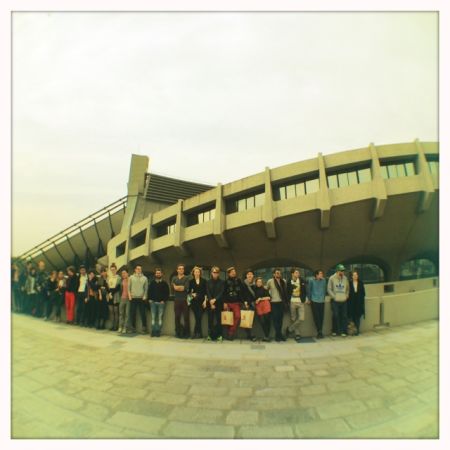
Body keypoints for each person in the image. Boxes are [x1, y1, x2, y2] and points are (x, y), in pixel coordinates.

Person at [222, 267, 245, 341]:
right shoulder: (225, 282)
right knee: (229, 319)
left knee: (238, 317)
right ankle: (229, 335)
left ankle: (231, 332)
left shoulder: (238, 281)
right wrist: (224, 302)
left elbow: (241, 292)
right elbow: (224, 292)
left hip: (236, 303)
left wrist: (243, 301)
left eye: (234, 271)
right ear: (229, 273)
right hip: (228, 302)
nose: (234, 273)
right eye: (232, 272)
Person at [266, 268, 289, 342]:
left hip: (281, 302)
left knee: (280, 319)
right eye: (276, 273)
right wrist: (268, 297)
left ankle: (278, 335)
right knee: (275, 320)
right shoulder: (270, 281)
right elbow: (266, 290)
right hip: (274, 302)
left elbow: (286, 291)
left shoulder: (283, 281)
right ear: (274, 274)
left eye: (279, 273)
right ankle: (278, 335)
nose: (278, 274)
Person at [327, 264, 350, 337]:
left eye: (343, 271)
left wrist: (346, 296)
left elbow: (347, 289)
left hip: (344, 301)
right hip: (335, 301)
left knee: (344, 316)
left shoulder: (345, 278)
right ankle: (334, 330)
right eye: (341, 271)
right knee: (335, 315)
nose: (343, 272)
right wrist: (334, 297)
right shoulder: (332, 278)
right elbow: (329, 289)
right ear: (337, 271)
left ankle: (344, 331)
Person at [286, 268, 307, 342]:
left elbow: (304, 290)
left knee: (301, 318)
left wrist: (304, 298)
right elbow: (287, 292)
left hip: (300, 301)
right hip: (292, 301)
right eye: (296, 273)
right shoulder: (289, 281)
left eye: (298, 273)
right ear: (292, 274)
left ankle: (289, 329)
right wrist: (288, 301)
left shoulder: (302, 280)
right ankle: (297, 334)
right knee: (293, 318)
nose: (298, 274)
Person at [148, 268, 170, 337]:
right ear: (155, 274)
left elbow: (167, 293)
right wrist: (150, 299)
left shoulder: (165, 283)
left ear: (161, 274)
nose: (158, 274)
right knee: (153, 318)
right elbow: (149, 292)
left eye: (159, 273)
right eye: (157, 273)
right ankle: (153, 331)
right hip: (153, 303)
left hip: (161, 303)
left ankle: (158, 332)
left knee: (160, 318)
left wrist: (164, 300)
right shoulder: (152, 283)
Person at [127, 264, 149, 334]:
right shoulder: (131, 277)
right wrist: (129, 296)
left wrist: (145, 296)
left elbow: (146, 289)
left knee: (143, 314)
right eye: (138, 269)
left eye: (140, 269)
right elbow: (128, 288)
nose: (139, 270)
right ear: (135, 270)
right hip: (133, 298)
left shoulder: (145, 278)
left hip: (141, 298)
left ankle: (144, 328)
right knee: (133, 314)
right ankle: (133, 328)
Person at [171, 264, 190, 339]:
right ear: (177, 270)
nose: (181, 270)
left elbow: (185, 288)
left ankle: (186, 334)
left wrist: (177, 287)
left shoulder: (186, 278)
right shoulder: (174, 278)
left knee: (186, 317)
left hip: (185, 300)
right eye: (179, 269)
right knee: (177, 317)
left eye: (182, 269)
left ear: (183, 270)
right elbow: (173, 288)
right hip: (177, 300)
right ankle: (177, 332)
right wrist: (179, 287)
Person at [206, 266, 224, 341]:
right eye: (214, 272)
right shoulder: (208, 282)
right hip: (210, 304)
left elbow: (221, 292)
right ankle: (210, 335)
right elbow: (207, 292)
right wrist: (211, 301)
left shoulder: (222, 282)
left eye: (216, 272)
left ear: (218, 273)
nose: (215, 274)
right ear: (211, 273)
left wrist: (215, 299)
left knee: (219, 320)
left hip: (219, 303)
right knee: (210, 320)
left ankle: (219, 335)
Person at [188, 266, 208, 339]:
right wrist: (192, 294)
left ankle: (196, 333)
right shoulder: (191, 282)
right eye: (195, 272)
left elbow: (206, 292)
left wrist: (205, 301)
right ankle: (199, 333)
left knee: (199, 317)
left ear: (200, 273)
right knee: (198, 318)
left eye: (198, 272)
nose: (197, 273)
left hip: (202, 302)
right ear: (193, 273)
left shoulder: (204, 281)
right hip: (194, 302)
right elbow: (188, 292)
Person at [307, 269, 327, 338]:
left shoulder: (324, 280)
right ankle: (319, 331)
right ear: (316, 275)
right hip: (314, 300)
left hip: (321, 301)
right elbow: (309, 290)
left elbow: (324, 290)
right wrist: (309, 299)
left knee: (321, 317)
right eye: (320, 273)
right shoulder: (311, 280)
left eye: (322, 274)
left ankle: (320, 331)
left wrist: (323, 298)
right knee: (316, 317)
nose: (322, 275)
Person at [347, 270, 366, 336]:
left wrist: (360, 300)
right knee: (351, 317)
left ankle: (357, 331)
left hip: (358, 303)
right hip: (351, 303)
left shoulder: (361, 283)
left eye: (356, 275)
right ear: (352, 276)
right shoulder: (349, 283)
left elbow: (363, 293)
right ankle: (352, 331)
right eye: (354, 275)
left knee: (357, 317)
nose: (355, 276)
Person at [254, 277, 272, 342]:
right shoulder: (254, 289)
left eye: (260, 282)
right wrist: (255, 301)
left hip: (265, 305)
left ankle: (266, 336)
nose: (259, 283)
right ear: (256, 283)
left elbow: (269, 297)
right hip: (258, 306)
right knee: (262, 321)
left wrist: (260, 299)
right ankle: (266, 336)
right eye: (258, 282)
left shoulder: (264, 289)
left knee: (267, 321)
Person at [242, 269, 257, 341]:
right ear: (246, 276)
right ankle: (250, 335)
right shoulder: (243, 284)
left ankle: (249, 335)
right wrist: (245, 302)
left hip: (253, 304)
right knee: (247, 320)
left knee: (252, 320)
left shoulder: (255, 284)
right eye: (248, 274)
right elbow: (241, 294)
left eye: (251, 274)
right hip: (246, 304)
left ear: (253, 275)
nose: (250, 275)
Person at [107, 263, 121, 331]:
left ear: (116, 270)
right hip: (110, 295)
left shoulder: (118, 278)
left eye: (114, 270)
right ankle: (112, 325)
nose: (113, 271)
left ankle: (116, 326)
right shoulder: (109, 278)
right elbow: (108, 287)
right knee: (111, 311)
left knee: (116, 311)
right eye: (111, 270)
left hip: (115, 295)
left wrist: (111, 293)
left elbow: (118, 287)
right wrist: (109, 293)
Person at [118, 267, 130, 334]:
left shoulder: (130, 280)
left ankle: (125, 328)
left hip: (128, 299)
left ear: (127, 273)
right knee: (121, 313)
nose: (123, 274)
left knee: (127, 314)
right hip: (122, 298)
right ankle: (120, 327)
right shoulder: (121, 281)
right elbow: (119, 289)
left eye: (124, 273)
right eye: (122, 273)